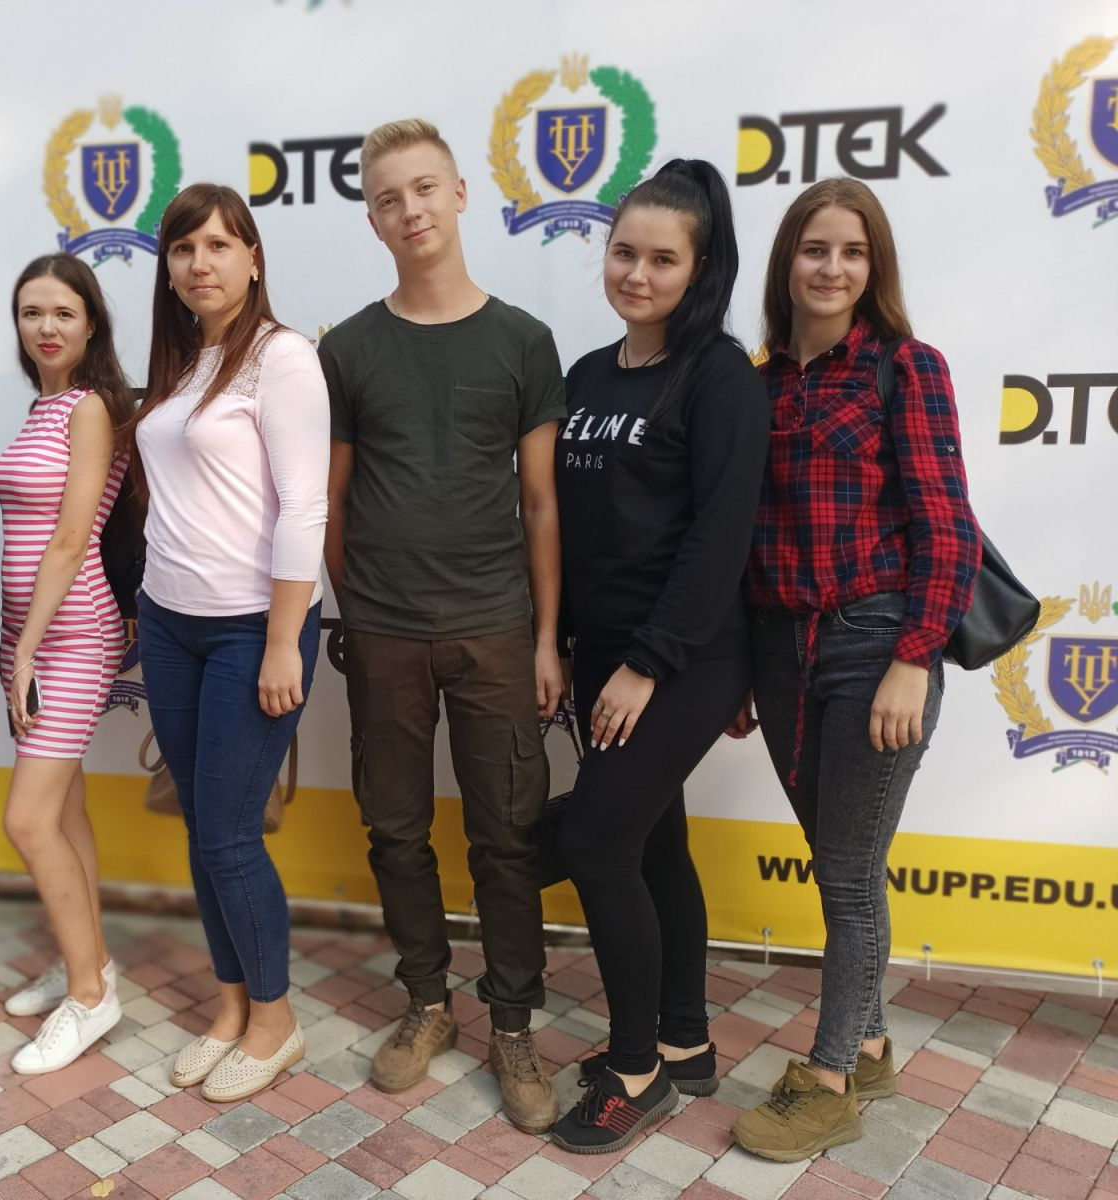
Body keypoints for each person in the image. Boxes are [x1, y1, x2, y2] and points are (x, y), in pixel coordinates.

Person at [319, 118, 565, 1136]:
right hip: (383, 636)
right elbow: (330, 505)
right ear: (372, 219)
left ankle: (512, 1022)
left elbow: (541, 505)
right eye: (388, 198)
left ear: (460, 194)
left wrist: (545, 639)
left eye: (424, 188)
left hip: (498, 630)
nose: (409, 210)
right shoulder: (347, 349)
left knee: (507, 836)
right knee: (394, 828)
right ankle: (427, 1001)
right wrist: (366, 608)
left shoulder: (523, 342)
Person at [728, 177, 980, 1162]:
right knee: (843, 864)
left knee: (844, 869)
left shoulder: (905, 369)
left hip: (875, 642)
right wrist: (744, 669)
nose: (831, 268)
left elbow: (946, 528)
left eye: (852, 251)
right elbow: (741, 541)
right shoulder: (757, 386)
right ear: (787, 262)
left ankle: (830, 1080)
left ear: (874, 268)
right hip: (779, 650)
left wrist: (914, 660)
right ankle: (869, 1044)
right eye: (814, 248)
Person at [546, 160, 768, 1154]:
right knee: (651, 843)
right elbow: (572, 525)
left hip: (684, 657)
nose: (636, 274)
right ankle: (684, 1038)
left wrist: (646, 664)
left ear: (700, 267)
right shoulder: (589, 375)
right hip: (602, 653)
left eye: (662, 259)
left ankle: (634, 1069)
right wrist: (562, 643)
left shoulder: (719, 377)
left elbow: (718, 540)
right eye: (623, 252)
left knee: (596, 843)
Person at [131, 183, 329, 1103]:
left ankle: (276, 1023)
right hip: (169, 624)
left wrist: (285, 641)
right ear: (168, 269)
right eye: (183, 249)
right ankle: (231, 1005)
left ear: (253, 258)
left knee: (230, 836)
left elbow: (305, 507)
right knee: (202, 828)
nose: (200, 263)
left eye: (219, 244)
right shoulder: (180, 364)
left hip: (253, 627)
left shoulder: (281, 358)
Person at [0, 254, 132, 1074]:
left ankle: (89, 997)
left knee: (28, 820)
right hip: (30, 635)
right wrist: (17, 642)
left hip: (71, 635)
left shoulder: (91, 408)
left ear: (91, 323)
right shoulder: (41, 408)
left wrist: (25, 650)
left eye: (63, 313)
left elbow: (73, 538)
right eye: (31, 312)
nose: (46, 327)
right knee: (66, 810)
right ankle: (92, 962)